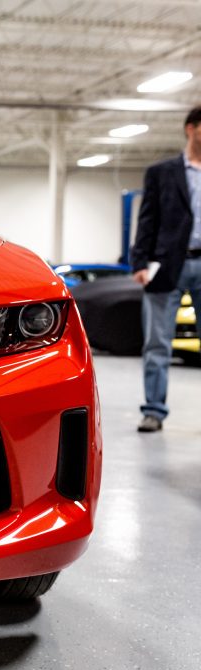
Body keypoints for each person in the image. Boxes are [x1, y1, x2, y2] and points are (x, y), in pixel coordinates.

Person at [130, 105, 201, 432]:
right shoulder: (162, 173)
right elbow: (147, 220)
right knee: (157, 342)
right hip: (166, 265)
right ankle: (154, 411)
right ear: (191, 128)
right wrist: (140, 262)